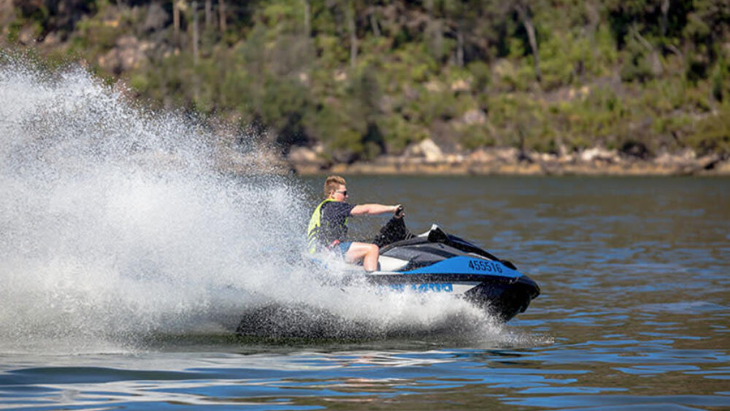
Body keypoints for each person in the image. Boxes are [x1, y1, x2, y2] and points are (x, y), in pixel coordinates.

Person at [307, 175, 402, 272]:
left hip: (321, 253)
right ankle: (373, 283)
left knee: (368, 249)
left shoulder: (326, 207)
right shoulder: (334, 206)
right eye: (344, 193)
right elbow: (366, 209)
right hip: (328, 253)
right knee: (372, 249)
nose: (347, 196)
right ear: (332, 193)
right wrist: (392, 208)